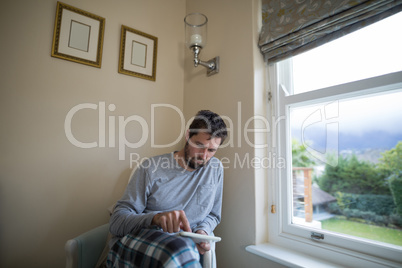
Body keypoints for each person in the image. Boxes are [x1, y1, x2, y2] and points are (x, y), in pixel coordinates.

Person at [107, 110, 228, 268]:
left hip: (188, 245)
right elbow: (116, 222)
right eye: (199, 145)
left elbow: (213, 215)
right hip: (149, 239)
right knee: (180, 251)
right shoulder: (150, 168)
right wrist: (155, 218)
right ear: (187, 136)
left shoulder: (215, 169)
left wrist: (203, 232)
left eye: (211, 150)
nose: (204, 156)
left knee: (185, 251)